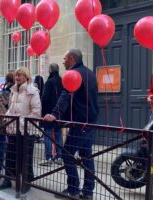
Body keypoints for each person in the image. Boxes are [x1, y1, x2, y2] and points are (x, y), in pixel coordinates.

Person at [44, 49, 98, 200]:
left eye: (64, 58)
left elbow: (65, 96)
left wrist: (54, 114)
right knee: (87, 157)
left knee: (67, 155)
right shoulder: (90, 73)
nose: (63, 62)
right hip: (89, 121)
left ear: (72, 59)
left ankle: (73, 189)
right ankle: (88, 192)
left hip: (79, 123)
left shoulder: (73, 74)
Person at [0, 67, 41, 192]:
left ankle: (26, 182)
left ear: (26, 76)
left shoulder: (33, 91)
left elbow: (36, 112)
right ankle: (8, 179)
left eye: (20, 75)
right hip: (13, 128)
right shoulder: (13, 90)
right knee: (10, 155)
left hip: (26, 130)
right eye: (16, 75)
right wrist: (7, 118)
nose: (17, 77)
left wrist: (21, 122)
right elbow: (11, 108)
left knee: (25, 157)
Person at [40, 63, 64, 166]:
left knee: (47, 134)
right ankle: (59, 157)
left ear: (50, 70)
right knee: (58, 134)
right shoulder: (62, 81)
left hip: (49, 112)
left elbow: (44, 98)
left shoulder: (49, 82)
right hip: (59, 112)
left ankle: (48, 157)